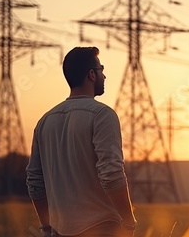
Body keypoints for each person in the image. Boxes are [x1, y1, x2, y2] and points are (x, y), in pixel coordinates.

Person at [26, 46, 137, 237]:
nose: (105, 76)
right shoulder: (102, 115)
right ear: (92, 75)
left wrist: (46, 227)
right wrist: (129, 222)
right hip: (102, 229)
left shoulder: (44, 121)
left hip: (58, 231)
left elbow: (35, 182)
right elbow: (111, 174)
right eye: (102, 70)